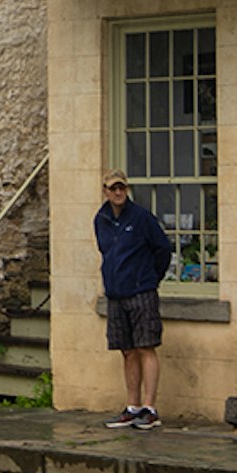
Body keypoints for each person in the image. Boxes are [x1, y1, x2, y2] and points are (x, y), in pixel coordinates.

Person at [94, 171, 174, 430]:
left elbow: (162, 248)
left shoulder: (141, 217)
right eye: (113, 188)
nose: (118, 193)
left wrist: (149, 278)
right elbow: (106, 252)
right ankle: (133, 405)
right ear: (105, 191)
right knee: (126, 350)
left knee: (146, 347)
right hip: (116, 294)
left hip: (141, 291)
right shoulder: (101, 219)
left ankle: (150, 408)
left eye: (122, 188)